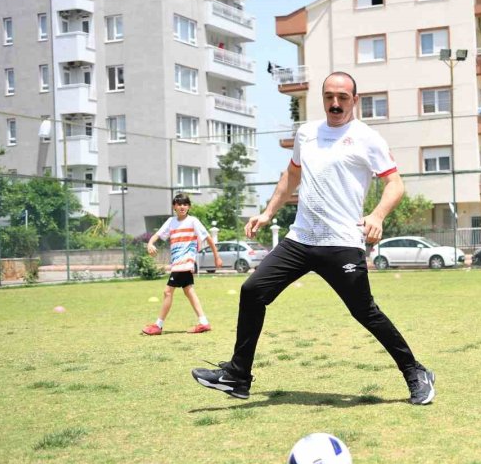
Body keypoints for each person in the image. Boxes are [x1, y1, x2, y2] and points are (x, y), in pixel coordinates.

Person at [191, 72, 436, 405]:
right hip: (301, 239)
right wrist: (267, 213)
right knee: (252, 291)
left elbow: (395, 183)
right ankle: (238, 376)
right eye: (329, 97)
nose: (335, 104)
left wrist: (377, 216)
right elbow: (292, 174)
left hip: (341, 242)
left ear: (355, 100)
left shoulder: (367, 138)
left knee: (365, 312)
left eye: (343, 97)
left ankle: (416, 372)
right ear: (322, 98)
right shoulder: (306, 133)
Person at [142, 194, 222, 336]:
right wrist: (150, 243)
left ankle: (158, 326)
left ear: (189, 207)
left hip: (184, 264)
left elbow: (208, 238)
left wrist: (217, 257)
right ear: (174, 207)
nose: (182, 207)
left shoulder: (193, 221)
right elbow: (158, 235)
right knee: (189, 291)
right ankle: (204, 323)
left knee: (168, 292)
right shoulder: (171, 221)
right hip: (178, 264)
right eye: (179, 204)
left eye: (185, 204)